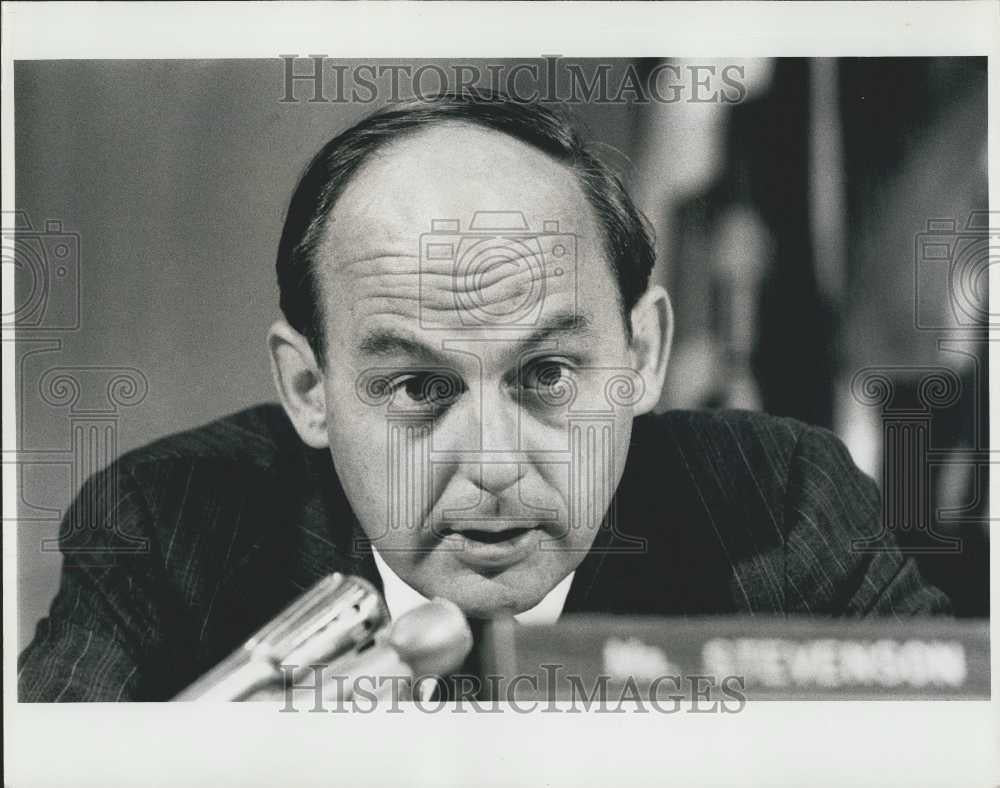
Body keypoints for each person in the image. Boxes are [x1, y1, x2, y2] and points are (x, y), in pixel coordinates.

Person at [18, 91, 949, 702]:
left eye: (546, 376)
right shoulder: (171, 526)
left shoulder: (780, 506)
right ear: (310, 389)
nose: (496, 465)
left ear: (644, 353)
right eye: (419, 387)